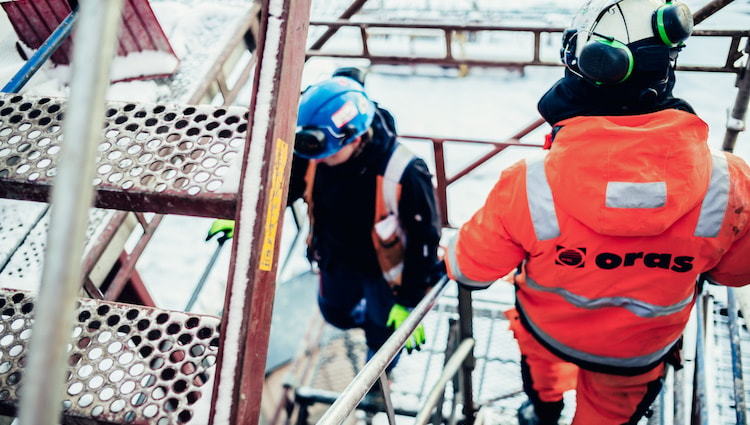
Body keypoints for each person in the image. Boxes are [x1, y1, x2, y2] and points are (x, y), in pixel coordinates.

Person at [444, 0, 750, 424]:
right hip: (637, 357)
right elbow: (732, 273)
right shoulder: (730, 184)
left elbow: (469, 269)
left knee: (544, 384)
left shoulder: (528, 184)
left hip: (547, 334)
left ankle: (544, 413)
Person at [208, 68, 444, 372]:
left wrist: (409, 301)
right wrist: (246, 217)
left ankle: (379, 363)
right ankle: (367, 323)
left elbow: (425, 239)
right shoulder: (315, 154)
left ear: (355, 138)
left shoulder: (405, 172)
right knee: (335, 313)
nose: (316, 160)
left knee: (383, 330)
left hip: (383, 271)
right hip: (337, 256)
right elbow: (282, 188)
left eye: (324, 153)